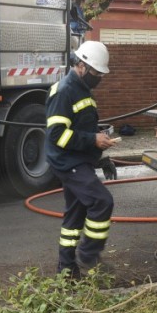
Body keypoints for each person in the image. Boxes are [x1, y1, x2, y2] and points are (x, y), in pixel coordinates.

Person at [45, 40, 117, 277]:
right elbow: (57, 135)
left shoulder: (82, 89)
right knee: (102, 202)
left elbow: (81, 127)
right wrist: (92, 140)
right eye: (96, 72)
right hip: (68, 162)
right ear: (82, 66)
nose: (99, 77)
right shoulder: (65, 91)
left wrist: (99, 148)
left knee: (74, 215)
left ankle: (66, 269)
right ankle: (88, 256)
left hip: (79, 160)